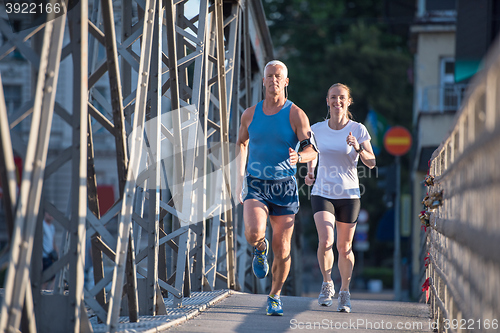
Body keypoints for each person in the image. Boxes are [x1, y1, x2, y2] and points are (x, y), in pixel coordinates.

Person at [235, 60, 318, 316]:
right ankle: (259, 249)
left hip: (284, 186)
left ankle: (274, 295)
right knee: (253, 231)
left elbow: (311, 149)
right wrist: (240, 179)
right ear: (263, 80)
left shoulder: (295, 114)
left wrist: (299, 158)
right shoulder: (250, 114)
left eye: (278, 76)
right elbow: (241, 143)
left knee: (282, 248)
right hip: (256, 184)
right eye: (269, 75)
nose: (273, 80)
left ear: (286, 81)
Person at [305, 83, 375, 313]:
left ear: (348, 101)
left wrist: (358, 148)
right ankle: (327, 283)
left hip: (349, 194)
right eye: (333, 97)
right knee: (326, 240)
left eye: (341, 98)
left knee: (344, 247)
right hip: (322, 191)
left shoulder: (359, 129)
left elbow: (371, 161)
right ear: (327, 101)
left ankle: (344, 291)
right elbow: (313, 153)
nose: (337, 101)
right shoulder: (316, 129)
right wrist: (310, 171)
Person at [42, 212, 58, 290]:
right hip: (44, 256)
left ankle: (45, 293)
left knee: (53, 278)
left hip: (50, 256)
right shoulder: (42, 225)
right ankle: (44, 294)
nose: (51, 216)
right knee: (46, 279)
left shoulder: (52, 227)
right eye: (49, 214)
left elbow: (53, 242)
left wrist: (57, 254)